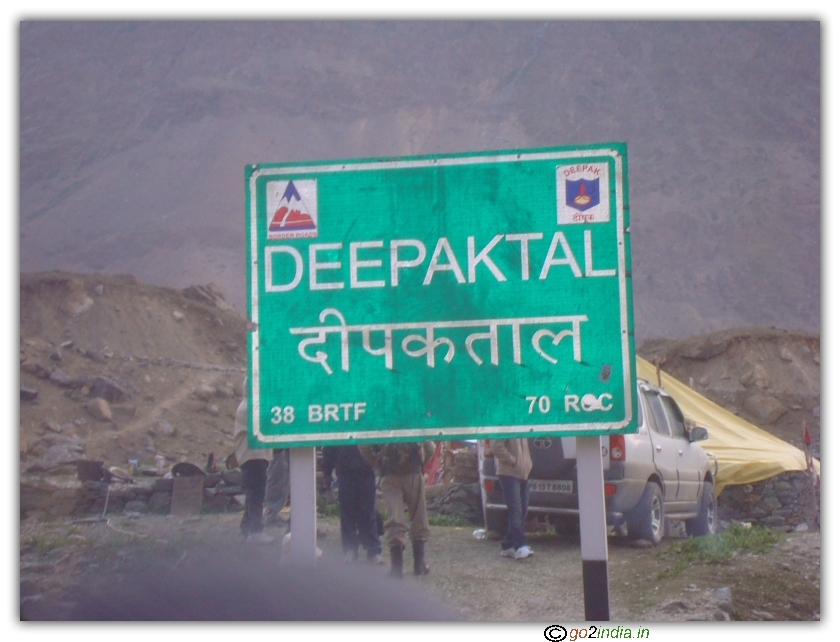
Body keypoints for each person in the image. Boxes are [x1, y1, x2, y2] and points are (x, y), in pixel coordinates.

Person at [360, 441, 435, 578]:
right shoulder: (414, 419)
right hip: (413, 472)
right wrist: (421, 465)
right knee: (419, 516)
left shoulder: (382, 419)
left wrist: (377, 464)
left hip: (389, 474)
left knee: (394, 517)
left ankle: (397, 568)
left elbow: (363, 445)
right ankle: (419, 565)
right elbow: (430, 447)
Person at [321, 445, 383, 564]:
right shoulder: (338, 425)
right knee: (347, 513)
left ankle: (373, 550)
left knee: (368, 512)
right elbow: (330, 446)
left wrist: (378, 463)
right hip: (345, 471)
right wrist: (327, 473)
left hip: (366, 470)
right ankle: (350, 549)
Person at [233, 377, 274, 545]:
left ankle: (246, 529)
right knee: (257, 494)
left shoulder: (246, 406)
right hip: (253, 456)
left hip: (252, 456)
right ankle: (256, 531)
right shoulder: (250, 408)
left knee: (253, 494)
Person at [490, 437, 534, 560]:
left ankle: (508, 545)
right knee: (516, 510)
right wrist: (512, 460)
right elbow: (495, 446)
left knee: (523, 509)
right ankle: (520, 545)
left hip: (523, 473)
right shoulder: (504, 422)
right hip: (508, 473)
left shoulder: (521, 424)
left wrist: (528, 463)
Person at [264, 448, 290, 527]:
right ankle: (271, 515)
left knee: (284, 480)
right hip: (277, 449)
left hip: (287, 448)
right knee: (277, 479)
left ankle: (273, 514)